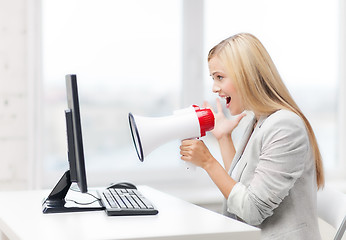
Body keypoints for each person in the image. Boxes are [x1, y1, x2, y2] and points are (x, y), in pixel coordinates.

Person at [180, 33, 324, 240]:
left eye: (220, 77)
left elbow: (252, 210)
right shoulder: (257, 120)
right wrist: (224, 138)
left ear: (245, 75)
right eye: (213, 78)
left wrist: (208, 162)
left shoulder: (285, 126)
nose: (214, 88)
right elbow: (242, 186)